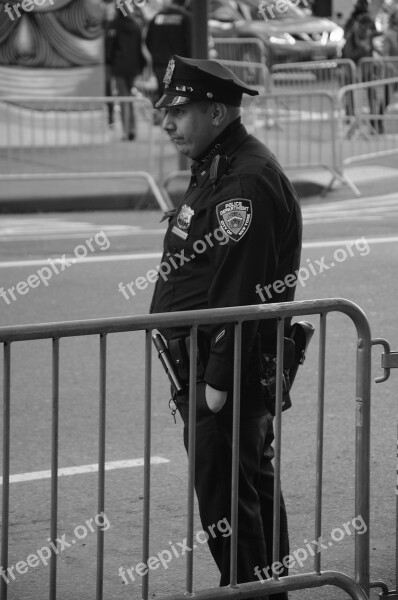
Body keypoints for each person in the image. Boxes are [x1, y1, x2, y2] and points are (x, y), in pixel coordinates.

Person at [150, 55, 302, 598]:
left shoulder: (244, 179)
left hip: (226, 376)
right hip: (216, 370)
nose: (167, 122)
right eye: (165, 110)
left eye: (180, 110)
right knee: (248, 493)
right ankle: (266, 589)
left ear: (216, 111)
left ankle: (249, 592)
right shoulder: (221, 162)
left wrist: (215, 383)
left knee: (227, 505)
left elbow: (238, 289)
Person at [144, 0, 192, 102]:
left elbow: (148, 40)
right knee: (175, 97)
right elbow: (190, 43)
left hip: (160, 65)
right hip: (178, 64)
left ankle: (164, 114)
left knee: (165, 95)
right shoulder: (186, 17)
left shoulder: (157, 17)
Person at [109, 9, 146, 141]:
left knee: (123, 97)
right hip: (133, 66)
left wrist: (109, 63)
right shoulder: (136, 25)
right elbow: (139, 48)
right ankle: (132, 128)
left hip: (119, 66)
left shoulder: (114, 25)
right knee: (130, 98)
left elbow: (110, 47)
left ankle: (125, 131)